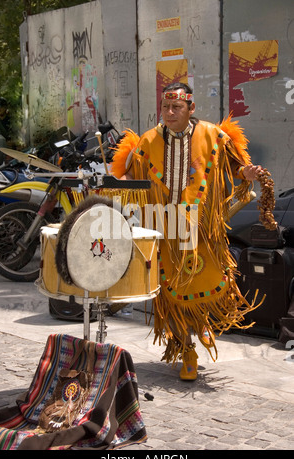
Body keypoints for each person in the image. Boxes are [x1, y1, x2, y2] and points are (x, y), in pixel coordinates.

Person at [111, 82, 265, 380]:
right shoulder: (147, 141)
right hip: (164, 226)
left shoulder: (213, 136)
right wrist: (120, 180)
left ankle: (204, 320)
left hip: (202, 226)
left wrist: (245, 173)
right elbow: (131, 175)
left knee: (207, 278)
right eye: (166, 107)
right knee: (171, 292)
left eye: (177, 107)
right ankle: (186, 350)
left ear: (190, 109)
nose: (170, 112)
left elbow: (234, 167)